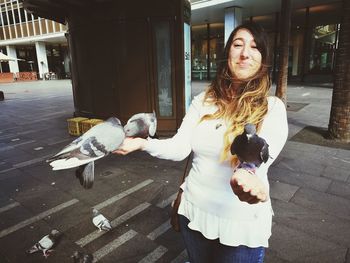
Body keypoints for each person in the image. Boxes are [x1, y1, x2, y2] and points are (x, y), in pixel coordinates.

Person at [114, 22, 288, 263]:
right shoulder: (203, 100)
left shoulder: (272, 108)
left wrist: (247, 176)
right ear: (228, 53)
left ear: (264, 58)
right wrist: (143, 144)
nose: (245, 53)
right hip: (194, 213)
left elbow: (261, 157)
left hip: (238, 224)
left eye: (255, 47)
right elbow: (180, 147)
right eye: (238, 45)